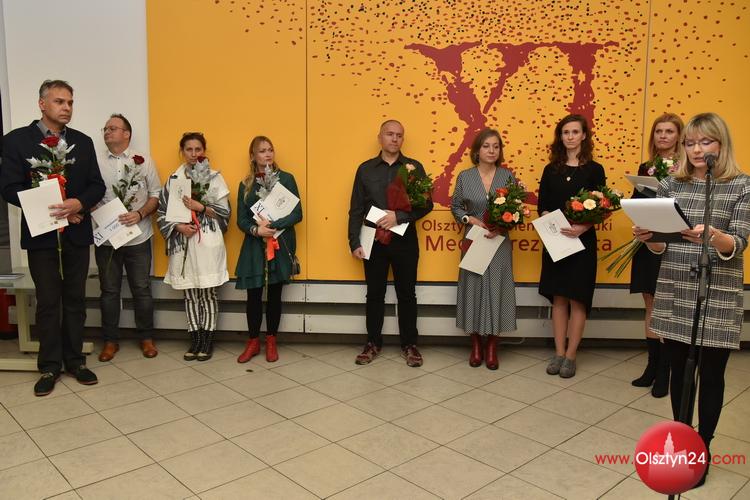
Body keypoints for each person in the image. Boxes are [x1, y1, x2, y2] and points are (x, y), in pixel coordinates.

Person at [635, 113, 750, 488]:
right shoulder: (671, 184)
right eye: (690, 143)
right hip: (675, 289)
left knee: (711, 375)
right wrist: (649, 237)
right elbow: (659, 247)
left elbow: (738, 242)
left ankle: (705, 447)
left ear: (721, 144)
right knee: (681, 372)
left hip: (718, 291)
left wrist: (713, 236)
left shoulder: (742, 185)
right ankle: (683, 445)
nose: (697, 150)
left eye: (705, 142)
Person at [0, 80, 105, 396]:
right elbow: (9, 188)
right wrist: (54, 208)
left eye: (70, 102)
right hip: (42, 236)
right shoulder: (16, 141)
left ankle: (75, 361)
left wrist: (78, 204)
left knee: (75, 300)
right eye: (60, 101)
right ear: (42, 104)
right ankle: (49, 366)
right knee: (47, 302)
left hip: (76, 234)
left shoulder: (82, 142)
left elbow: (96, 186)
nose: (67, 107)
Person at [348, 119, 433, 367]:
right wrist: (354, 241)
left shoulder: (413, 168)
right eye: (389, 134)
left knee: (407, 294)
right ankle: (372, 343)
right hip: (373, 240)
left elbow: (426, 204)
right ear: (380, 137)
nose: (394, 139)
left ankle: (410, 345)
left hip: (404, 240)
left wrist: (400, 216)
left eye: (399, 135)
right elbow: (356, 209)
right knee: (374, 294)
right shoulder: (365, 169)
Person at [537, 114, 605, 378]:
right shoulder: (551, 169)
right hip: (556, 242)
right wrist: (546, 217)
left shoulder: (595, 169)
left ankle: (571, 355)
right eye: (565, 132)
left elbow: (602, 208)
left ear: (584, 135)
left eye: (575, 132)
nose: (570, 136)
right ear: (560, 137)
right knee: (559, 298)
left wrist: (582, 227)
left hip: (582, 242)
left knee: (578, 300)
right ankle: (558, 352)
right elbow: (543, 204)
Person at [156, 133, 230, 361]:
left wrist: (201, 207)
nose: (194, 154)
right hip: (183, 243)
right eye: (189, 149)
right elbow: (161, 213)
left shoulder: (215, 177)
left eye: (198, 149)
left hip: (207, 242)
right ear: (182, 152)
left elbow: (225, 213)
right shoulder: (174, 180)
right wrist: (178, 227)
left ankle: (207, 340)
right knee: (190, 294)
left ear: (204, 151)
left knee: (207, 293)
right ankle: (195, 339)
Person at [94, 114, 161, 362]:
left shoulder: (143, 161)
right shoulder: (96, 161)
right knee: (109, 291)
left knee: (141, 289)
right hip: (107, 238)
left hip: (138, 237)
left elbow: (156, 194)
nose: (107, 131)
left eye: (113, 128)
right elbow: (87, 193)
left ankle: (146, 338)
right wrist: (96, 210)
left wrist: (140, 213)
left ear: (127, 134)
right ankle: (110, 341)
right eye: (105, 128)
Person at [450, 128, 516, 370]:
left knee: (498, 289)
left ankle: (492, 346)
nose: (492, 150)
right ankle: (476, 344)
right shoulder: (465, 177)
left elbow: (515, 209)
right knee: (473, 288)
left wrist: (503, 225)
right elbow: (456, 206)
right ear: (477, 150)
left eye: (496, 146)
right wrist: (469, 219)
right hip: (474, 239)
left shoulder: (507, 177)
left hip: (499, 241)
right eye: (487, 146)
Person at [630, 113, 684, 397]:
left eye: (669, 131)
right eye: (659, 131)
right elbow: (637, 203)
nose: (663, 136)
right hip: (648, 242)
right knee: (650, 304)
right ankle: (651, 367)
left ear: (679, 136)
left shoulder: (686, 167)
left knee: (667, 308)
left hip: (674, 244)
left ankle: (665, 371)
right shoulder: (646, 167)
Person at [235, 136, 302, 363]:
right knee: (253, 295)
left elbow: (297, 213)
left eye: (270, 150)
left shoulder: (287, 179)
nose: (268, 154)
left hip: (279, 243)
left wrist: (274, 226)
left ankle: (271, 340)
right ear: (253, 156)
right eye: (262, 151)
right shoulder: (246, 184)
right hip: (255, 245)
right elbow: (241, 220)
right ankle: (253, 342)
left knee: (274, 294)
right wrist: (257, 230)